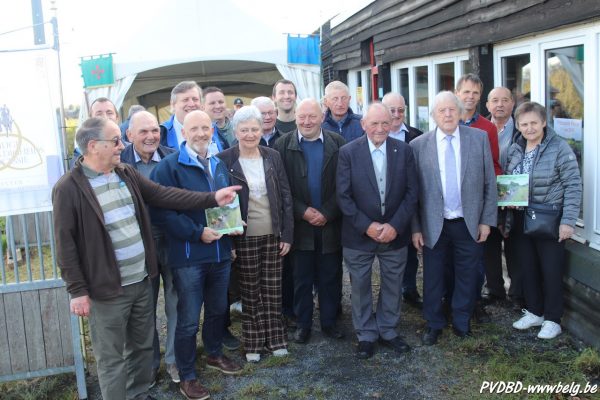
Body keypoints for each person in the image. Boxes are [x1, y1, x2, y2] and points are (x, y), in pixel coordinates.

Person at [52, 117, 239, 400]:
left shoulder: (125, 172)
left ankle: (139, 393)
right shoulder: (68, 188)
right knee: (111, 357)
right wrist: (77, 290)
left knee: (141, 347)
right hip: (107, 288)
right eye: (115, 141)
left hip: (140, 278)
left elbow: (165, 196)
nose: (122, 146)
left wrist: (212, 198)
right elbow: (65, 244)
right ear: (93, 146)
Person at [150, 110, 243, 400]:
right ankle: (187, 374)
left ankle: (214, 353)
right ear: (183, 132)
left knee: (218, 310)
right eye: (195, 128)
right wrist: (196, 233)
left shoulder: (217, 163)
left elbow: (224, 206)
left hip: (220, 253)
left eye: (207, 128)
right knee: (188, 319)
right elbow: (161, 212)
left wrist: (233, 228)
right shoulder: (169, 167)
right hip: (189, 255)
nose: (202, 133)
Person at [411, 91, 497, 346]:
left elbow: (489, 183)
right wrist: (415, 228)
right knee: (433, 277)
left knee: (467, 275)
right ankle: (434, 323)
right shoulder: (419, 145)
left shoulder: (478, 138)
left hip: (468, 222)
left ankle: (462, 322)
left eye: (452, 109)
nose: (447, 114)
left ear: (460, 112)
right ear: (434, 115)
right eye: (442, 111)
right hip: (433, 225)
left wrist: (486, 221)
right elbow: (413, 193)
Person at [337, 103, 418, 359]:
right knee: (360, 285)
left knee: (393, 283)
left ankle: (388, 330)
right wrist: (367, 226)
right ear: (363, 125)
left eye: (385, 123)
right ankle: (366, 334)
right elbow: (343, 196)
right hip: (358, 235)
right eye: (374, 123)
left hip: (395, 233)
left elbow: (412, 192)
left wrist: (395, 225)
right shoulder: (348, 153)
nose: (380, 128)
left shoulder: (404, 150)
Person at [217, 105, 294, 363]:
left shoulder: (272, 155)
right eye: (244, 129)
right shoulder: (224, 159)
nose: (250, 134)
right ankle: (253, 342)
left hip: (273, 233)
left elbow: (285, 195)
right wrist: (230, 241)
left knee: (273, 289)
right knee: (250, 291)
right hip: (244, 236)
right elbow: (221, 205)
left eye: (255, 129)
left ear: (262, 130)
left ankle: (276, 339)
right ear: (236, 131)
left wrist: (287, 234)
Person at [274, 99, 346, 344]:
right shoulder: (282, 146)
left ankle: (329, 322)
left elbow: (344, 185)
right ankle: (303, 324)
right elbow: (281, 189)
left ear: (322, 117)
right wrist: (303, 211)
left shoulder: (338, 144)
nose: (306, 122)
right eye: (302, 116)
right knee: (301, 278)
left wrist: (327, 211)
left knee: (330, 276)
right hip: (299, 225)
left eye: (312, 117)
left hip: (330, 224)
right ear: (295, 117)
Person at [507, 101, 581, 340]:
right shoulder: (515, 148)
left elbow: (573, 185)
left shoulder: (559, 147)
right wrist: (507, 200)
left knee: (550, 270)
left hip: (549, 219)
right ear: (517, 125)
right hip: (520, 218)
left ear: (544, 123)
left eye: (534, 123)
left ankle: (552, 319)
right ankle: (535, 312)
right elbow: (510, 181)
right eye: (524, 124)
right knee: (527, 268)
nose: (529, 128)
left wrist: (568, 221)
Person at [120, 111, 179, 384]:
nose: (150, 136)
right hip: (140, 247)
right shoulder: (119, 164)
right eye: (143, 132)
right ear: (129, 135)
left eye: (154, 130)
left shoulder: (172, 157)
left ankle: (176, 360)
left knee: (177, 302)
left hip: (174, 240)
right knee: (145, 310)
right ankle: (149, 365)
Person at [455, 73, 502, 323]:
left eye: (475, 93)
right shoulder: (447, 121)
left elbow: (493, 166)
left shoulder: (487, 127)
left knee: (476, 259)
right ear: (457, 93)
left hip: (475, 204)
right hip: (450, 204)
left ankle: (474, 303)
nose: (470, 97)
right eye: (466, 92)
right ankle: (451, 302)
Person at [381, 92, 423, 308]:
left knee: (409, 251)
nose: (397, 115)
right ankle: (388, 293)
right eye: (392, 110)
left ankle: (409, 288)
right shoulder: (375, 134)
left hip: (408, 203)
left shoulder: (417, 136)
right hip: (381, 205)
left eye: (401, 110)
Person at [484, 87, 522, 309]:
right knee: (489, 245)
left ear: (512, 104)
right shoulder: (482, 129)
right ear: (487, 105)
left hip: (514, 193)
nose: (500, 104)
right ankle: (495, 290)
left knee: (514, 246)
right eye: (495, 100)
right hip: (487, 195)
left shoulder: (520, 129)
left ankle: (517, 294)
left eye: (505, 100)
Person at [159, 81, 228, 155]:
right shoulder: (162, 133)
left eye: (195, 99)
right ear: (173, 104)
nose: (191, 104)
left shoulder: (213, 128)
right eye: (185, 100)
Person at [71, 97, 120, 168]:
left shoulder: (130, 150)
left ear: (117, 118)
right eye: (99, 114)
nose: (105, 117)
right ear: (91, 119)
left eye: (109, 113)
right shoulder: (81, 153)